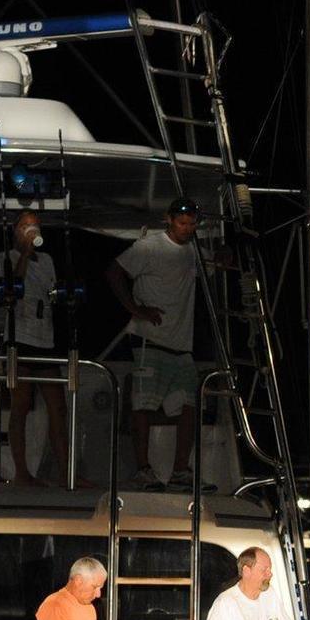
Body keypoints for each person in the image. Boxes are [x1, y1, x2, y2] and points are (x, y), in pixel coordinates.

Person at [105, 198, 206, 490]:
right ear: (170, 220)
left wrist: (224, 254)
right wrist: (136, 308)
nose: (187, 228)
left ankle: (179, 470)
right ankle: (143, 468)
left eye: (192, 224)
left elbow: (217, 261)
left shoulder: (195, 251)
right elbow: (114, 271)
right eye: (182, 223)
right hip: (150, 339)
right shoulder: (149, 246)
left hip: (181, 345)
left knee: (190, 404)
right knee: (143, 405)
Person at [0, 209, 70, 485]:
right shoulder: (5, 258)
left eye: (37, 226)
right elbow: (11, 289)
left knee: (57, 406)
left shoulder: (49, 260)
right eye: (27, 226)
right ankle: (22, 472)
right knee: (21, 404)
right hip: (19, 337)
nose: (33, 230)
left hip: (45, 338)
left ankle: (66, 472)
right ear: (17, 230)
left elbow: (52, 292)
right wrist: (26, 254)